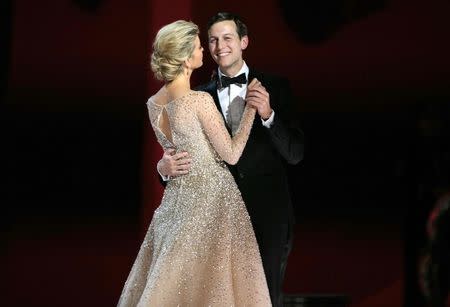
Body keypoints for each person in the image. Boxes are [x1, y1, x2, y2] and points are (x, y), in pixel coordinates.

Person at [117, 20, 271, 306]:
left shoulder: (153, 103)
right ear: (188, 58)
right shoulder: (197, 101)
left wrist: (163, 167)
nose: (205, 50)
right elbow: (233, 153)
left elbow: (175, 152)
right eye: (200, 46)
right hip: (214, 203)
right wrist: (251, 109)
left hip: (177, 206)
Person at [157, 12, 305, 306]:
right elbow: (183, 161)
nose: (219, 46)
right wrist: (164, 170)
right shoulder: (196, 97)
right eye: (212, 40)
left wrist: (268, 116)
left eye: (227, 38)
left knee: (264, 299)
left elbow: (296, 154)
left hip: (267, 216)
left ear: (244, 42)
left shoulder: (275, 87)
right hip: (215, 217)